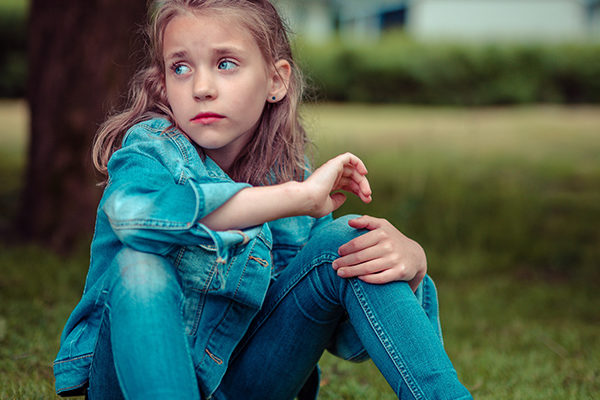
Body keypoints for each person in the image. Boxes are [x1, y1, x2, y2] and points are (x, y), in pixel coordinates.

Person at [53, 0, 472, 399]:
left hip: (248, 383)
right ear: (163, 86)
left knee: (350, 240)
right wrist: (293, 198)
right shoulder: (149, 150)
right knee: (138, 265)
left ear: (276, 80)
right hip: (130, 383)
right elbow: (133, 218)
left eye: (225, 64)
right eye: (180, 67)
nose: (201, 87)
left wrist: (412, 267)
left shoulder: (291, 173)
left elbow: (347, 341)